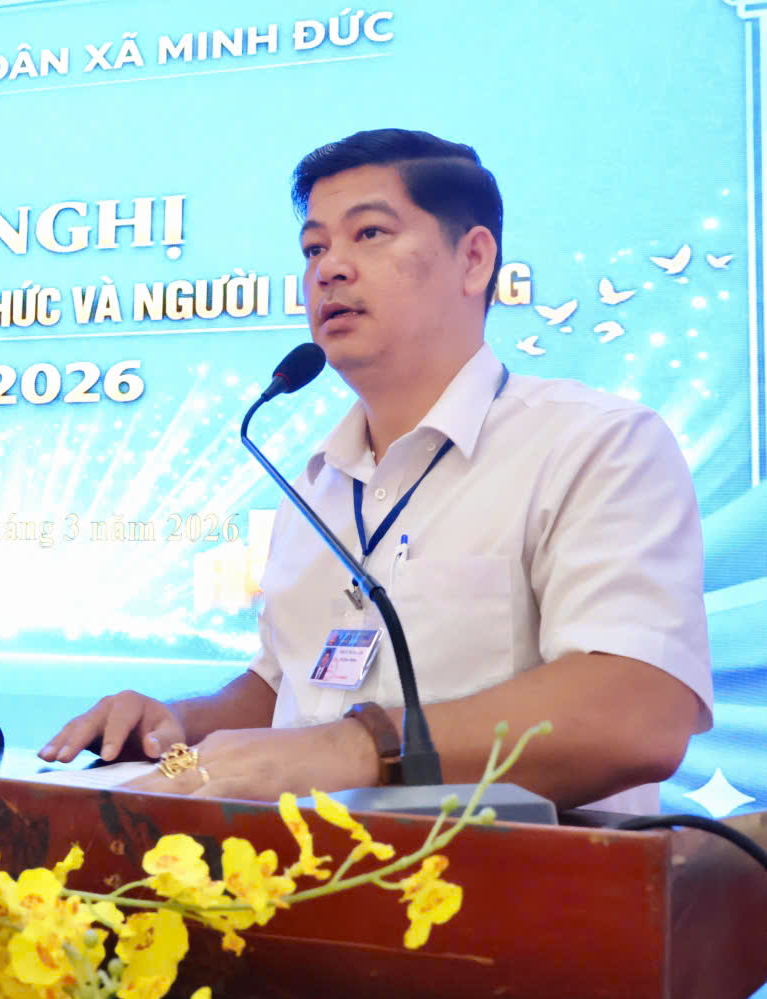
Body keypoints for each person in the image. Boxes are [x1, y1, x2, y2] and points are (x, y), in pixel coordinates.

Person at [38, 128, 712, 813]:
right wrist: (178, 728)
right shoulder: (316, 483)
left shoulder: (595, 444)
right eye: (313, 248)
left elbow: (637, 712)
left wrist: (356, 749)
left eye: (368, 234)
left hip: (504, 873)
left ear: (474, 260)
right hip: (297, 871)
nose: (329, 268)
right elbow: (286, 690)